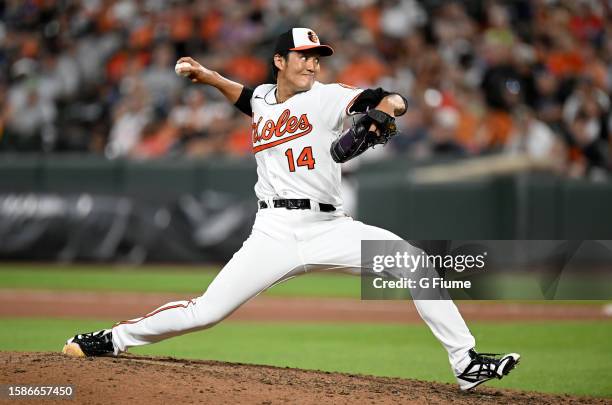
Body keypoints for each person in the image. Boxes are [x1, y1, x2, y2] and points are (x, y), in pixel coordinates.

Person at [62, 28, 519, 391]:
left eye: (317, 56)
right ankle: (113, 339)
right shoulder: (264, 98)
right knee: (206, 313)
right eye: (303, 55)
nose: (313, 63)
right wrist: (209, 77)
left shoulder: (326, 95)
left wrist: (384, 112)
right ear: (280, 61)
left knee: (414, 263)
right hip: (274, 231)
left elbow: (388, 98)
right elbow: (249, 100)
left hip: (329, 225)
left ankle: (466, 362)